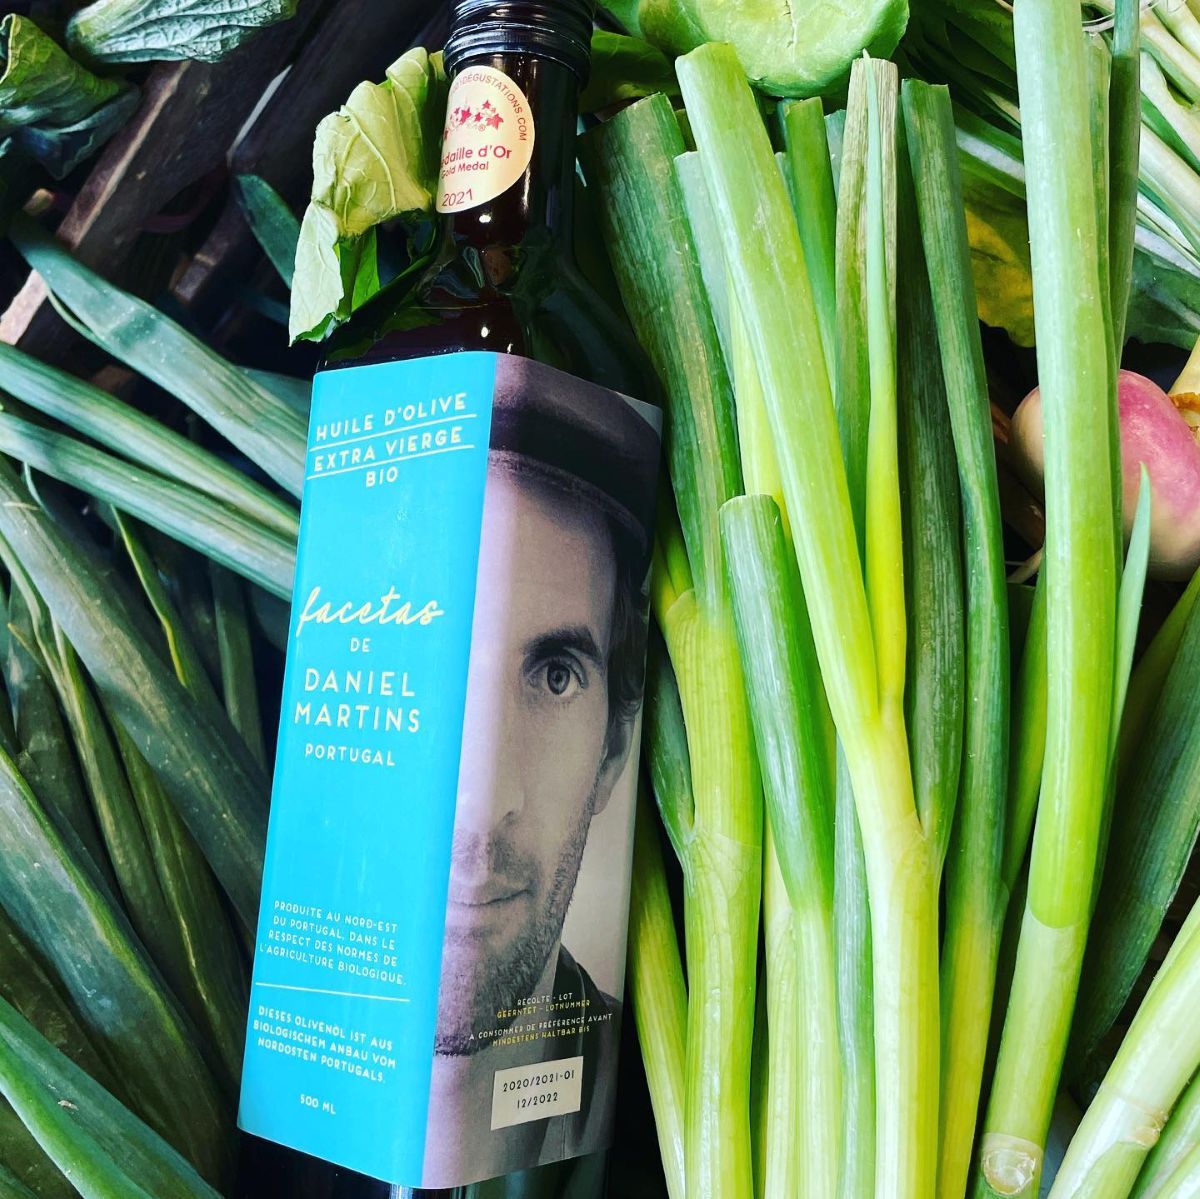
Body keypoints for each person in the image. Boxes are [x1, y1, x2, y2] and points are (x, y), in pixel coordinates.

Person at [421, 356, 658, 1187]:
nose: (484, 804)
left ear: (614, 747)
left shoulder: (648, 1116)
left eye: (556, 676)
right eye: (432, 665)